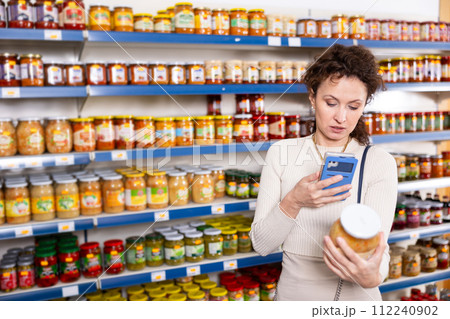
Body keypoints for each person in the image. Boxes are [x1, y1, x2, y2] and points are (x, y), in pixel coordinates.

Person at [250, 44, 398, 301]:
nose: (341, 117)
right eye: (331, 102)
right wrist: (294, 200)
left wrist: (371, 275)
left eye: (353, 107)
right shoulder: (281, 153)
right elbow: (262, 245)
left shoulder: (378, 162)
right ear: (312, 96)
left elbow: (379, 258)